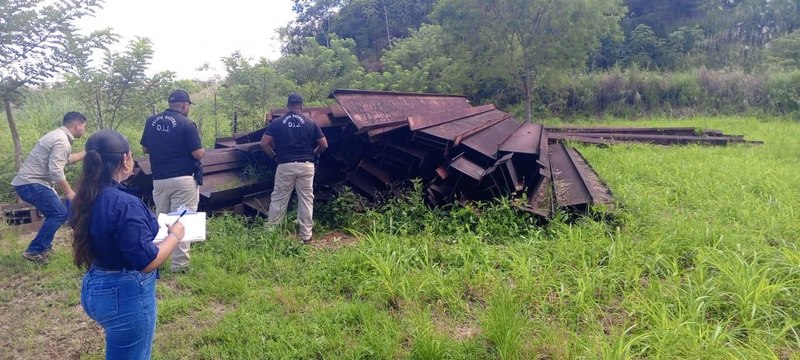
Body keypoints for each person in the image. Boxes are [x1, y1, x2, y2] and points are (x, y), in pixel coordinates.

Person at [71, 130, 184, 359]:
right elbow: (147, 261)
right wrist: (176, 236)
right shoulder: (124, 203)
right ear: (125, 159)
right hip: (125, 295)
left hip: (95, 285)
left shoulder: (84, 196)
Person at [140, 89, 204, 272]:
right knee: (182, 220)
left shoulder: (151, 122)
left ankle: (155, 261)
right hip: (183, 179)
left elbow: (145, 148)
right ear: (185, 105)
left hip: (159, 179)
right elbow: (198, 153)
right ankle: (180, 266)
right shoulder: (187, 124)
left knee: (162, 220)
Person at [12, 111, 87, 264]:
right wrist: (69, 192)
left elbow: (66, 160)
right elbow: (56, 171)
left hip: (29, 183)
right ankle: (35, 250)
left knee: (55, 213)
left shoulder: (57, 136)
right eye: (84, 126)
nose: (84, 129)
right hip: (32, 183)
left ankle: (43, 247)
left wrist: (88, 152)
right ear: (77, 125)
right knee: (59, 214)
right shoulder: (61, 141)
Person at [260, 93, 328, 243]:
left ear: (287, 106)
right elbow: (324, 144)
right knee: (306, 200)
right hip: (306, 165)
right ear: (302, 106)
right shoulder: (311, 122)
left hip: (285, 165)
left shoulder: (277, 123)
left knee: (279, 198)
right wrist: (313, 153)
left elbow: (264, 143)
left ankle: (271, 233)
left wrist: (274, 156)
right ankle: (306, 236)